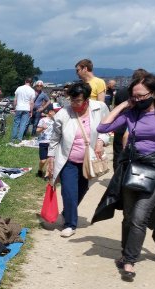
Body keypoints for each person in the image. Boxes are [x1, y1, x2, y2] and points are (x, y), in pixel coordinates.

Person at [94, 73, 155, 281]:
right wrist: (123, 105)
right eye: (134, 96)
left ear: (153, 93)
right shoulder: (131, 113)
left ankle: (129, 260)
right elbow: (103, 127)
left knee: (139, 216)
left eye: (141, 96)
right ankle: (125, 252)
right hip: (133, 167)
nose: (138, 99)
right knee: (128, 216)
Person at [46, 81, 110, 237]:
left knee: (81, 191)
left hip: (88, 161)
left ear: (87, 99)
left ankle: (67, 213)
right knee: (68, 192)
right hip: (69, 160)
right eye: (71, 100)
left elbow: (106, 128)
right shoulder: (63, 114)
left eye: (78, 101)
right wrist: (51, 157)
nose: (74, 104)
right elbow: (55, 138)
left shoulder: (99, 108)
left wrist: (101, 141)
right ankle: (70, 224)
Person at [36, 104, 59, 177]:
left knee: (50, 160)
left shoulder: (57, 120)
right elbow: (37, 131)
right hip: (43, 142)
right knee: (43, 161)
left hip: (53, 143)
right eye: (56, 111)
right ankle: (40, 169)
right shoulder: (43, 120)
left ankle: (48, 175)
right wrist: (42, 128)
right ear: (50, 112)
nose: (57, 113)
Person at [11, 78, 36, 143]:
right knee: (23, 124)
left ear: (25, 81)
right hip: (26, 109)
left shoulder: (19, 88)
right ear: (31, 83)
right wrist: (31, 111)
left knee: (16, 123)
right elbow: (32, 102)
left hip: (19, 108)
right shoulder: (32, 91)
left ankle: (13, 139)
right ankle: (19, 139)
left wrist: (14, 108)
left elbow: (15, 100)